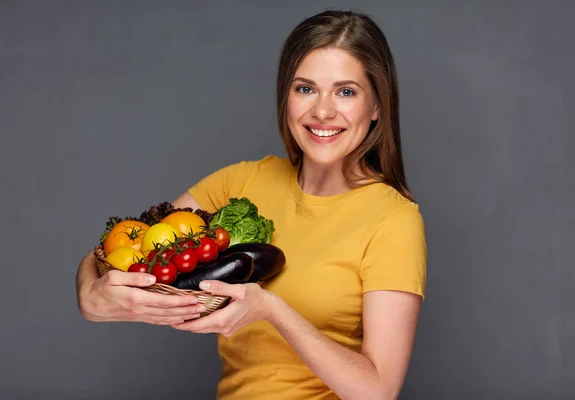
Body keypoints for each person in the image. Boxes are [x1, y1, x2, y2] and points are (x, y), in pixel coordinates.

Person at [76, 10, 427, 400]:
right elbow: (126, 246)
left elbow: (377, 391)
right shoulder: (240, 184)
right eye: (305, 88)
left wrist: (273, 311)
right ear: (286, 97)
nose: (323, 111)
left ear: (376, 106)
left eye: (346, 91)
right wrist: (90, 293)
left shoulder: (393, 219)